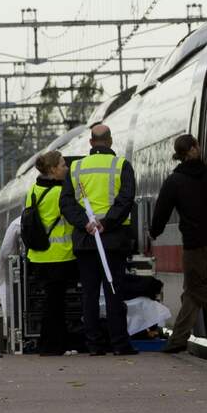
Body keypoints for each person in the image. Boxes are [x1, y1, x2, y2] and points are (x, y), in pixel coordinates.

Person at [59, 124, 138, 356]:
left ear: (91, 143)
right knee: (114, 292)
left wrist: (85, 223)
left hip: (85, 240)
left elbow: (66, 203)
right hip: (113, 240)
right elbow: (126, 199)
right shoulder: (121, 165)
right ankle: (120, 344)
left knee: (90, 295)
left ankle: (93, 345)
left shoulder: (76, 167)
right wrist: (108, 223)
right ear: (110, 141)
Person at [148, 134, 207, 354]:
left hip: (193, 243)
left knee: (194, 287)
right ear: (195, 149)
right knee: (192, 292)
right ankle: (178, 340)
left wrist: (154, 232)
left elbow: (162, 210)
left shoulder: (175, 180)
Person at [24, 150, 78, 356]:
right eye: (63, 165)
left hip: (38, 256)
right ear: (53, 169)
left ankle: (49, 344)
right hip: (59, 255)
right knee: (56, 304)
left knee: (50, 302)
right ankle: (52, 346)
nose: (66, 168)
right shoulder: (60, 193)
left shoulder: (34, 190)